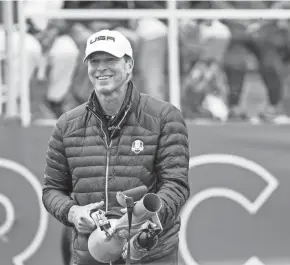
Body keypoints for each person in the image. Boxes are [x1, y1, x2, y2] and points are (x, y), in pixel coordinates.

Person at [42, 29, 190, 265]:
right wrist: (73, 212)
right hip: (90, 253)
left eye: (110, 59)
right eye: (94, 61)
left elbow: (176, 185)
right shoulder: (67, 124)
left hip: (149, 253)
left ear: (129, 65)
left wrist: (143, 219)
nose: (100, 67)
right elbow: (52, 190)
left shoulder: (164, 116)